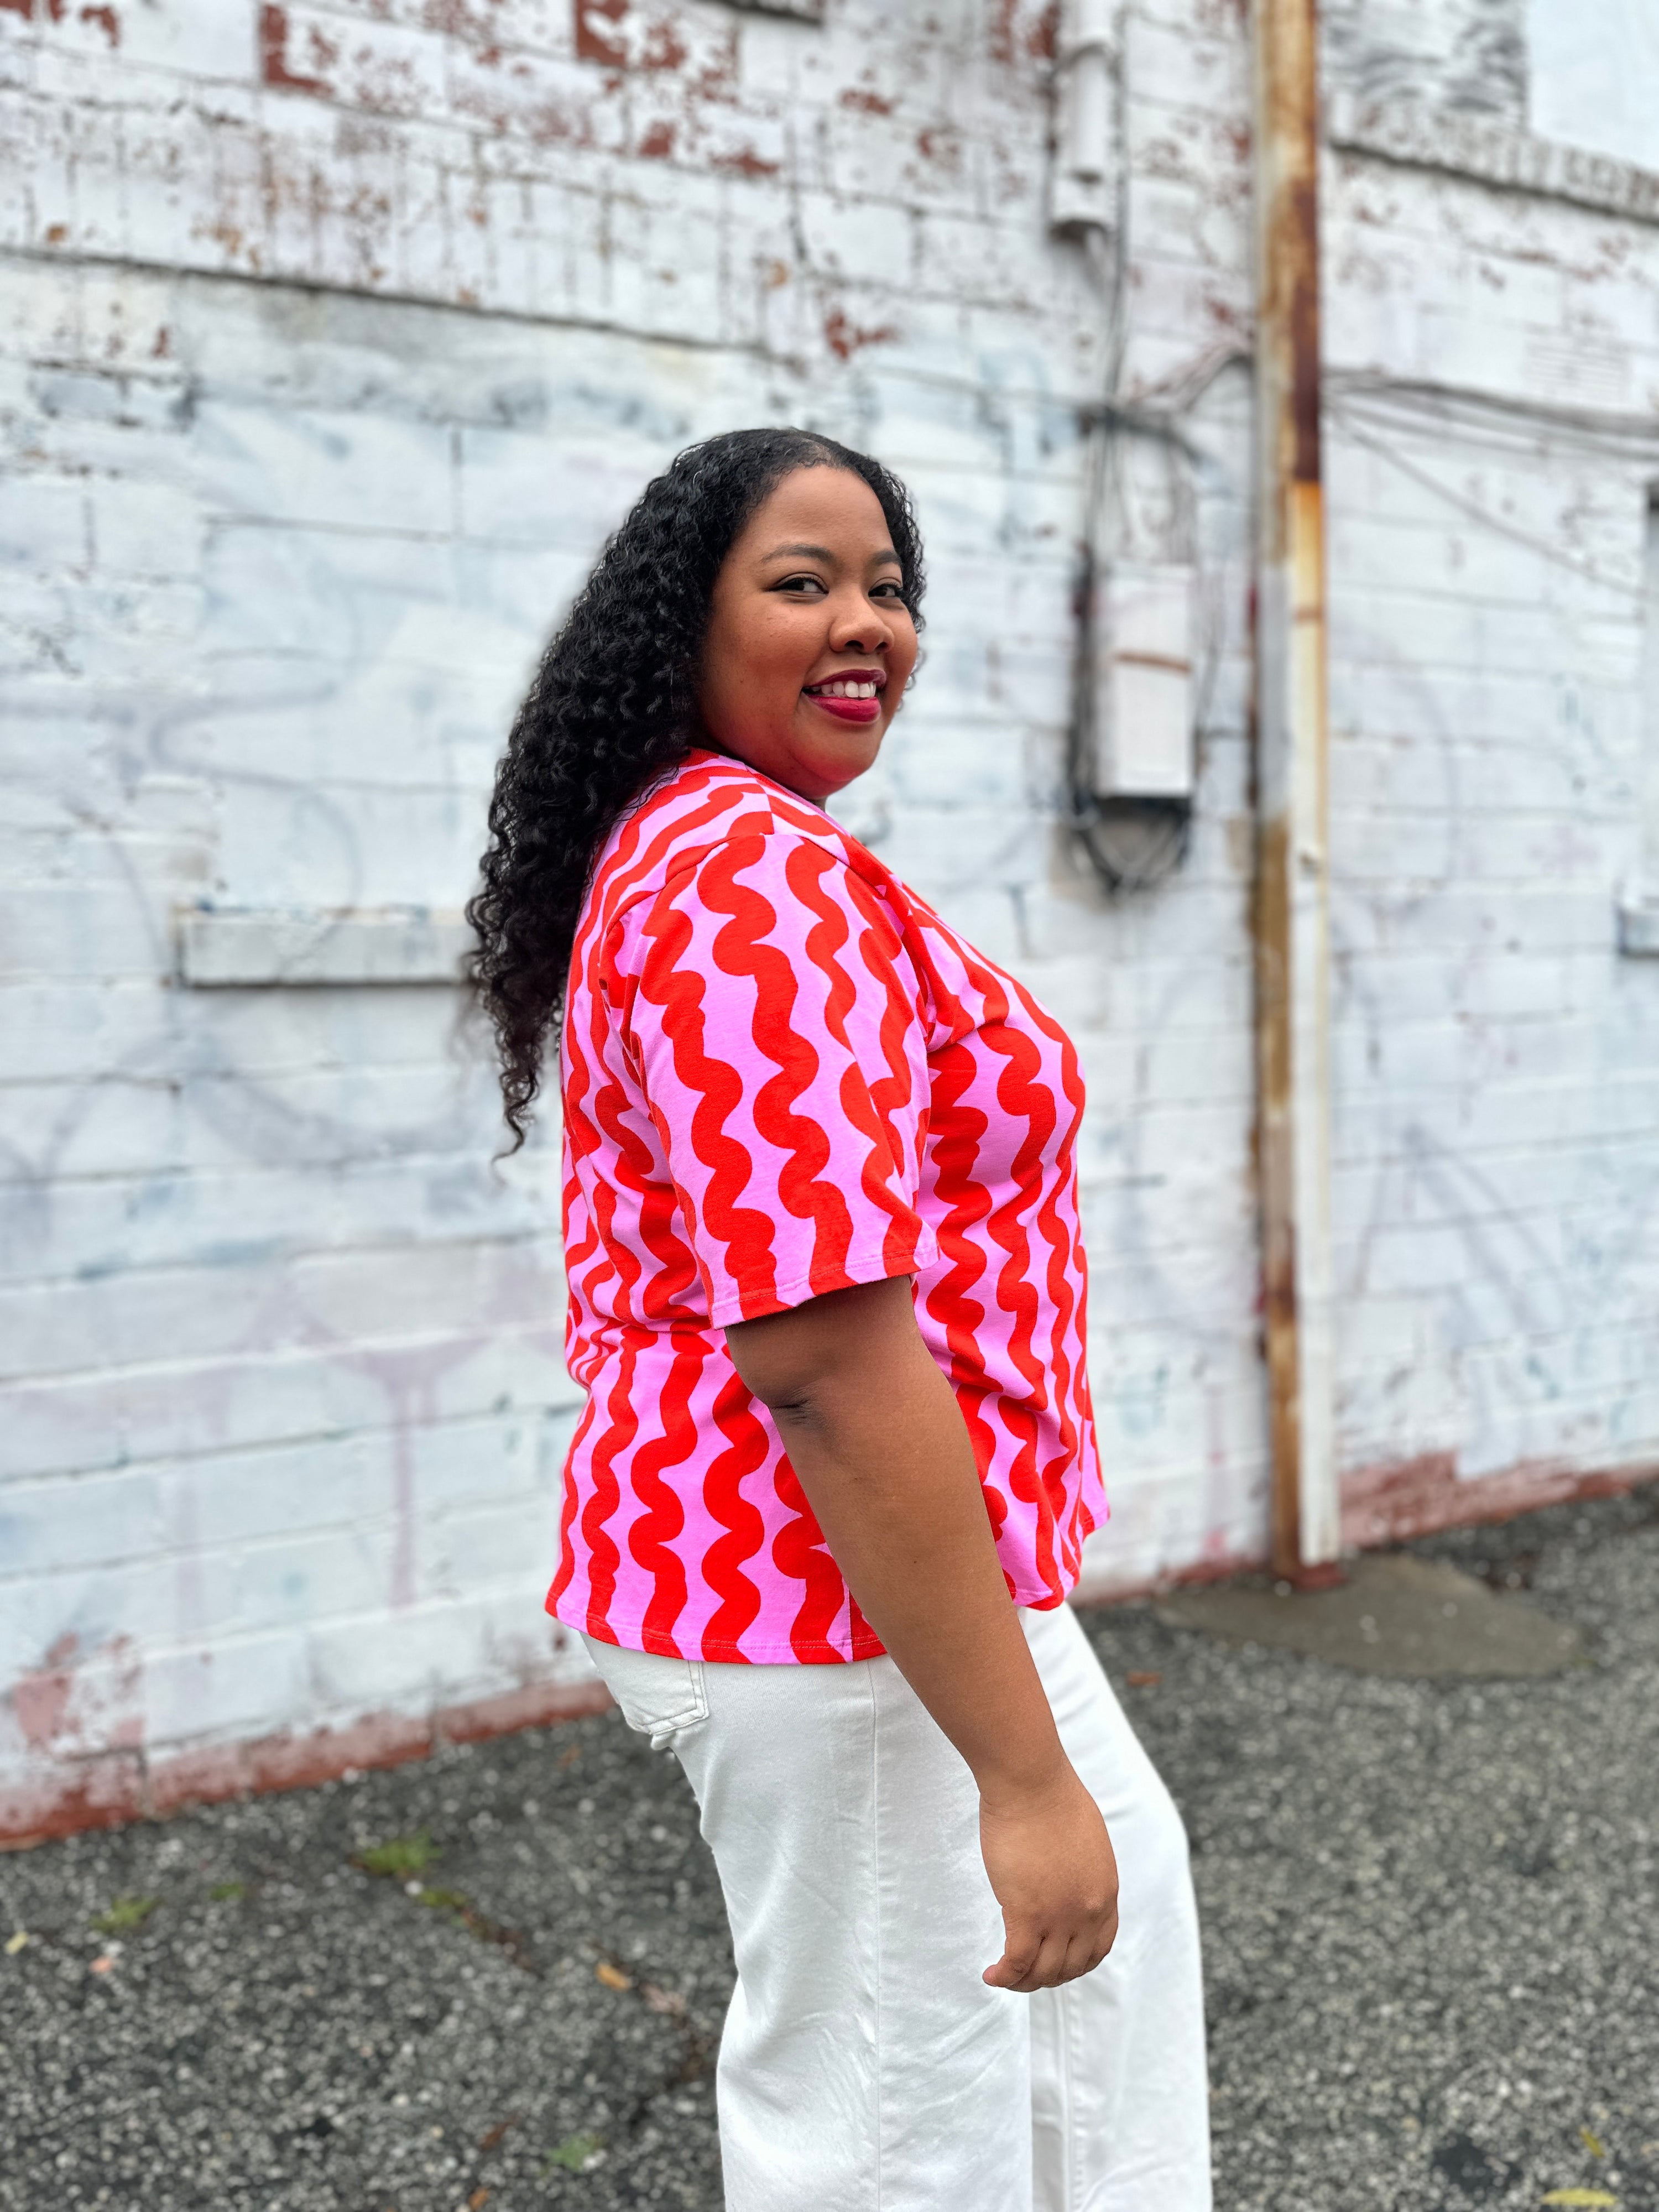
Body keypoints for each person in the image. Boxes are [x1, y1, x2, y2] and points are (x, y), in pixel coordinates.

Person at [468, 427, 1212, 2210]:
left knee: (1109, 1946)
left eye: (888, 584)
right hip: (817, 1591)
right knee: (894, 2124)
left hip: (899, 1572)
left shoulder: (731, 852)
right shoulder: (741, 877)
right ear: (685, 627)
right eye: (802, 582)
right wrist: (1016, 1778)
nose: (864, 619)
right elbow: (816, 1349)